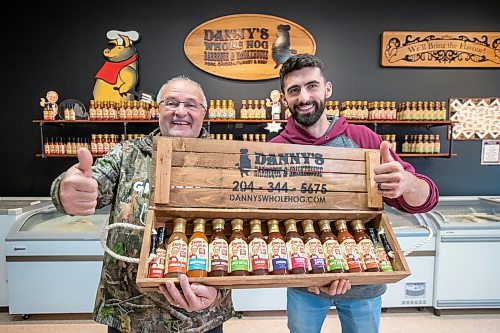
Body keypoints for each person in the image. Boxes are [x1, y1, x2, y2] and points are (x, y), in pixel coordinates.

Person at [50, 76, 233, 333]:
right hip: (130, 314)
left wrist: (219, 291)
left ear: (204, 113)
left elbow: (244, 232)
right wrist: (66, 190)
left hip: (202, 314)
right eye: (171, 103)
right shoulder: (127, 153)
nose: (181, 111)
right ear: (158, 109)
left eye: (191, 105)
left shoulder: (226, 159)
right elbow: (92, 182)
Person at [271, 54, 439, 333]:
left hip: (365, 274)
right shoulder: (274, 148)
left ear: (327, 89)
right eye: (294, 90)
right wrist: (300, 274)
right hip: (304, 278)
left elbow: (426, 198)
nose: (304, 97)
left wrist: (408, 183)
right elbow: (265, 219)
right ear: (284, 99)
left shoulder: (363, 140)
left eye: (312, 86)